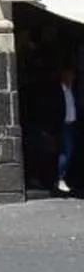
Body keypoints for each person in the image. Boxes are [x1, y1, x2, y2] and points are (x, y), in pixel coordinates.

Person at [58, 62, 77, 195]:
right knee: (65, 153)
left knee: (70, 152)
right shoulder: (59, 91)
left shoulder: (73, 90)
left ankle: (65, 178)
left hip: (73, 124)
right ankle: (59, 178)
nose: (72, 77)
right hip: (63, 125)